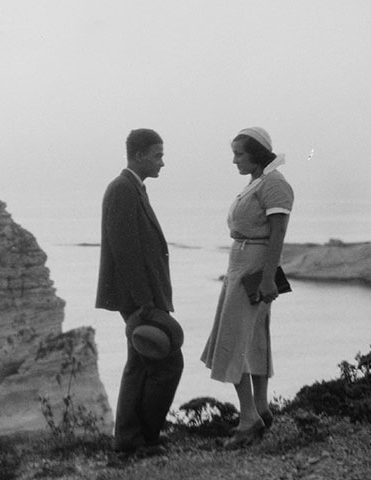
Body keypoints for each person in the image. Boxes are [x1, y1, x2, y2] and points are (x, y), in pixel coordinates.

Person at [201, 126, 294, 449]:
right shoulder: (257, 183)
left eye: (238, 154)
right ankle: (262, 409)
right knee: (252, 339)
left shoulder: (275, 185)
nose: (234, 160)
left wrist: (268, 278)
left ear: (255, 153)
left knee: (236, 339)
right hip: (241, 264)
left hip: (254, 268)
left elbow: (278, 234)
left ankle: (248, 418)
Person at [96, 128, 184, 458]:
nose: (162, 162)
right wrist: (145, 301)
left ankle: (134, 439)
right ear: (139, 156)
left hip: (142, 294)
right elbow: (124, 249)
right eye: (158, 155)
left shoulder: (134, 188)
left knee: (142, 363)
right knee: (166, 361)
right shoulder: (122, 189)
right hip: (137, 297)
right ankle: (138, 437)